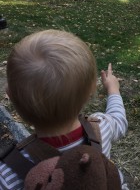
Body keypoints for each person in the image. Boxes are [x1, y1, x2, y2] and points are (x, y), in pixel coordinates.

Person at [0, 29, 128, 189]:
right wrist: (113, 90)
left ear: (10, 97)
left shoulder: (8, 172)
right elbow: (119, 120)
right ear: (91, 90)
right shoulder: (102, 127)